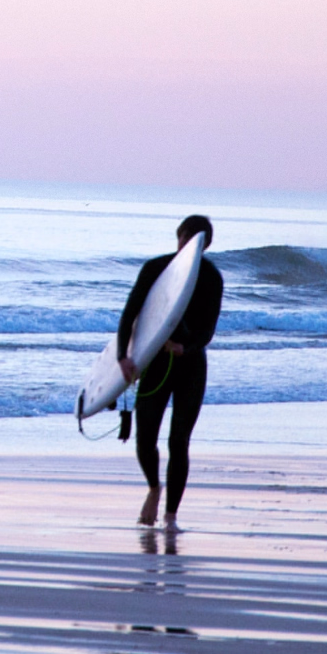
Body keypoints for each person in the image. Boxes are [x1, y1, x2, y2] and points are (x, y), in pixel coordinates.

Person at [116, 214, 223, 530]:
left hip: (190, 366)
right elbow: (130, 313)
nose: (187, 247)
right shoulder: (154, 269)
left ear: (205, 245)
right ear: (179, 237)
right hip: (155, 362)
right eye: (185, 239)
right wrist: (123, 357)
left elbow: (208, 330)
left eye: (194, 243)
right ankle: (153, 487)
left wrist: (184, 349)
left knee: (179, 442)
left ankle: (171, 516)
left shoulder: (211, 278)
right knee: (144, 438)